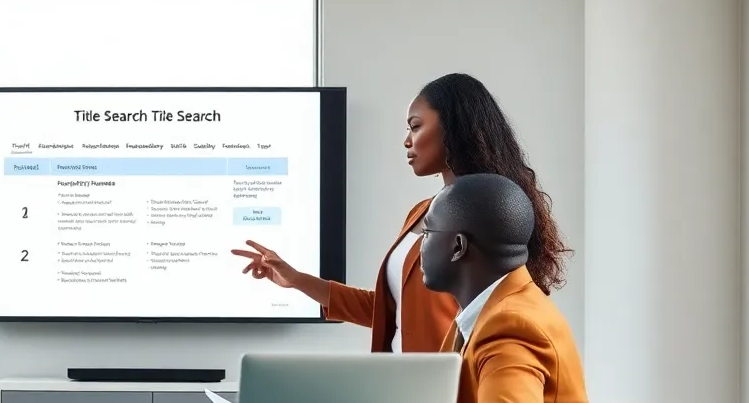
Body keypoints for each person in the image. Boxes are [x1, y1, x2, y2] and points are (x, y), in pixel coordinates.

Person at [232, 73, 571, 353]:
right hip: (405, 386)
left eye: (415, 126)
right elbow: (390, 312)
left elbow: (493, 316)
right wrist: (295, 279)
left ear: (453, 128)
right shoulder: (422, 213)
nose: (407, 141)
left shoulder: (489, 218)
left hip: (449, 398)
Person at [417, 173, 613, 403]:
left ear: (458, 247)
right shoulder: (492, 311)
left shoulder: (511, 325)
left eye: (427, 233)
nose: (420, 248)